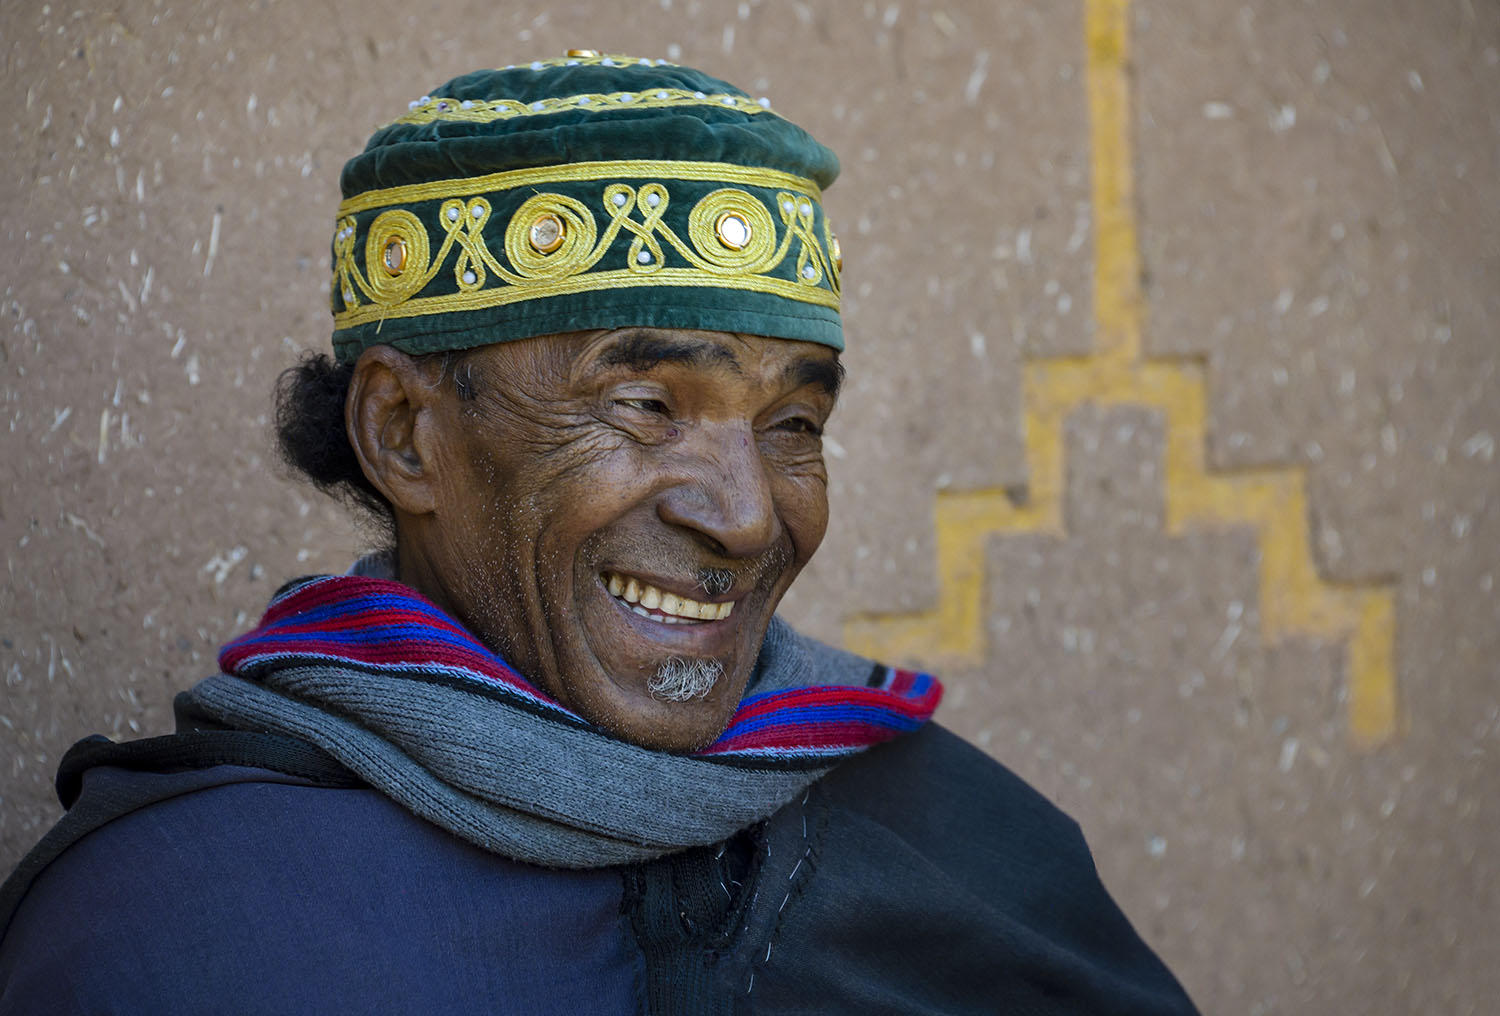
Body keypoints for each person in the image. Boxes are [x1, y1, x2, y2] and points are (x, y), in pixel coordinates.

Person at [0, 53, 1198, 1014]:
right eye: (646, 407)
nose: (742, 513)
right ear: (405, 432)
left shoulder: (961, 849)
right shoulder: (187, 923)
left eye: (790, 421)